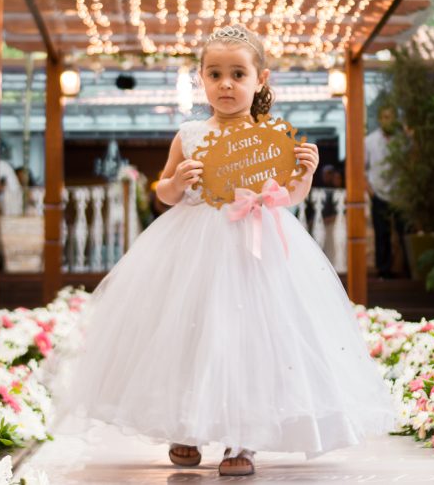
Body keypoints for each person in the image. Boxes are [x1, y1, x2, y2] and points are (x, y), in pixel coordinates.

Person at [57, 25, 393, 477]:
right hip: (193, 245)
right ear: (201, 80)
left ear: (261, 80)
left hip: (257, 246)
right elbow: (164, 192)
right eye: (215, 74)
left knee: (250, 338)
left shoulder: (271, 137)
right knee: (187, 332)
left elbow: (287, 195)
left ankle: (244, 437)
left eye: (238, 74)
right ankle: (186, 426)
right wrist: (178, 182)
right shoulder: (190, 134)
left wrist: (305, 177)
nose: (227, 84)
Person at [365, 105, 408, 278]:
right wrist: (370, 192)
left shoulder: (403, 141)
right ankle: (383, 271)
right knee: (381, 233)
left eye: (390, 116)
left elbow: (410, 165)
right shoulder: (369, 141)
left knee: (403, 231)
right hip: (378, 192)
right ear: (379, 119)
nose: (387, 120)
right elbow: (361, 169)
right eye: (384, 116)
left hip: (400, 194)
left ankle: (407, 271)